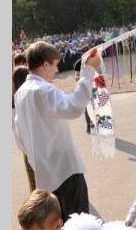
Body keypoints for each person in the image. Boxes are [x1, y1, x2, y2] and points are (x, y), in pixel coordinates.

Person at [14, 40, 101, 220]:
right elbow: (74, 107)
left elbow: (19, 135)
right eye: (54, 64)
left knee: (58, 225)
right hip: (65, 170)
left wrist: (36, 159)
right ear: (45, 64)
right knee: (79, 224)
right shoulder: (44, 90)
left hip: (44, 173)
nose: (57, 69)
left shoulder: (20, 92)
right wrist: (88, 72)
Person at [12, 66, 36, 192]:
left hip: (28, 150)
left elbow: (17, 135)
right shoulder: (30, 97)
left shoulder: (16, 100)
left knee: (35, 185)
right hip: (38, 149)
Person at [74, 45, 94, 134]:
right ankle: (89, 126)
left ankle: (98, 125)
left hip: (94, 86)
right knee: (87, 108)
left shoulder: (94, 61)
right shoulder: (79, 63)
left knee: (97, 106)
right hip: (85, 88)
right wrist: (80, 79)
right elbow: (76, 76)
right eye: (85, 52)